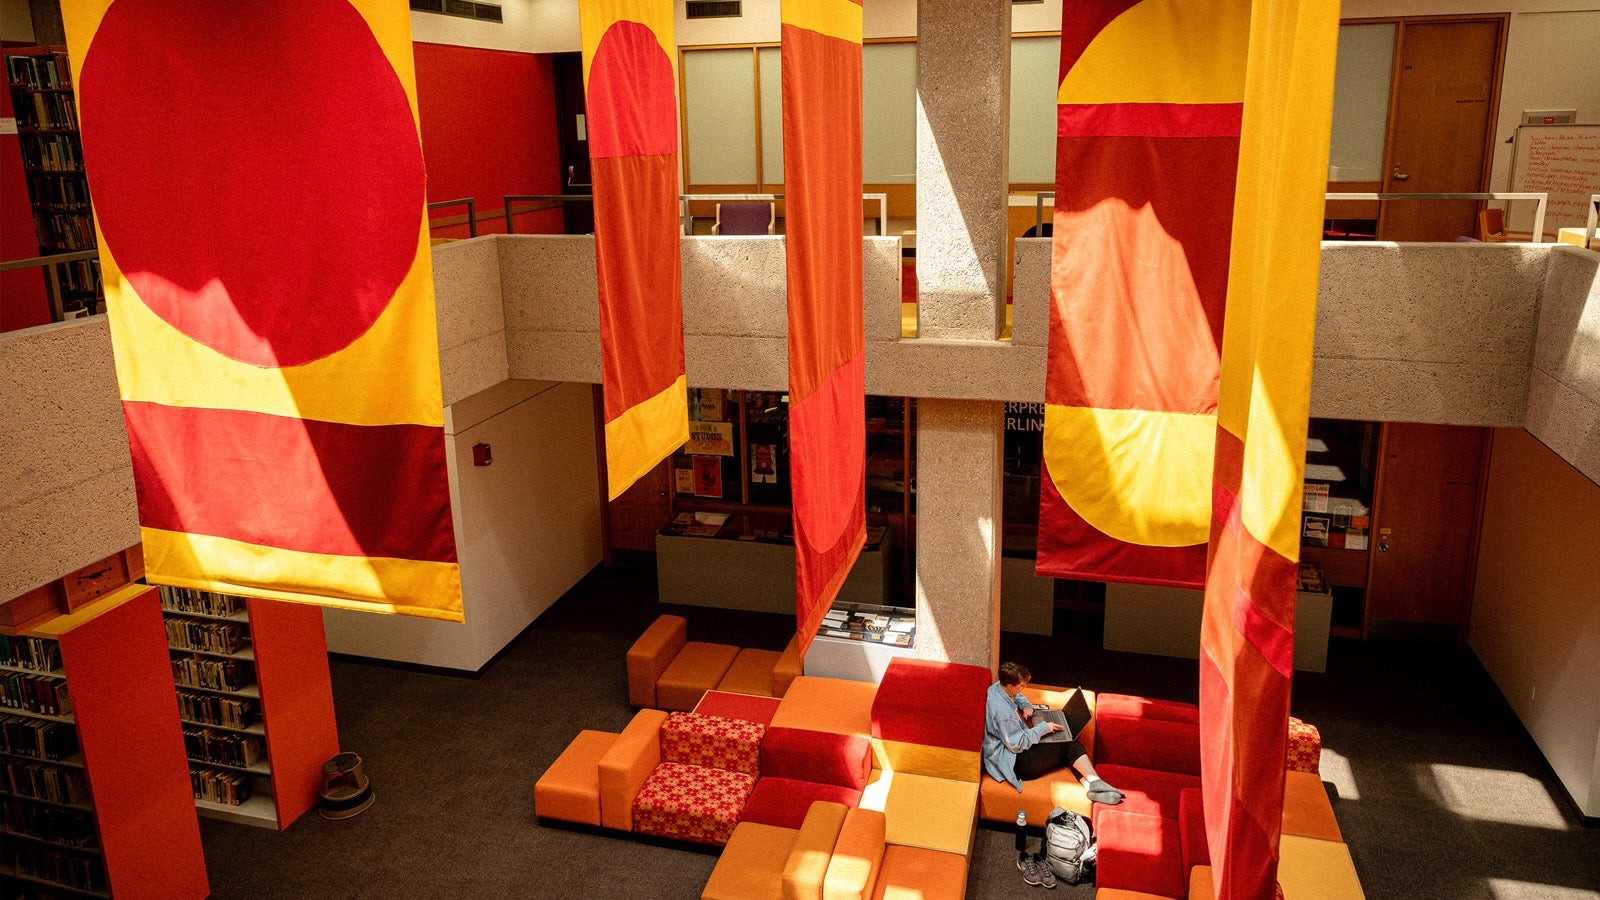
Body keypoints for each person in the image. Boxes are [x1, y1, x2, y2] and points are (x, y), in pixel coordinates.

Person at [984, 661, 1124, 805]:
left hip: (1015, 752)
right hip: (1016, 763)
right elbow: (1017, 745)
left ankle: (1091, 788)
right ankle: (1096, 782)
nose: (1025, 688)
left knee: (1067, 752)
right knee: (1068, 744)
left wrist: (1026, 705)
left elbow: (1016, 696)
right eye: (1022, 686)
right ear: (1010, 685)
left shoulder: (999, 687)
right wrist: (1043, 728)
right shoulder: (1002, 713)